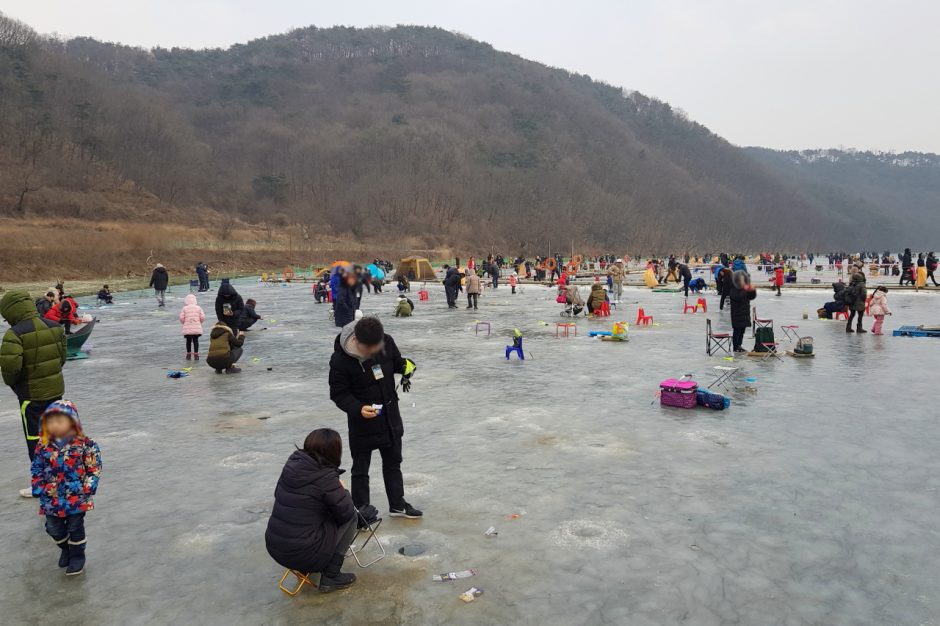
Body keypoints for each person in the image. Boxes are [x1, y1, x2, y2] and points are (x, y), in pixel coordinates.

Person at [328, 317, 422, 520]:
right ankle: (362, 512)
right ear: (356, 340)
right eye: (368, 348)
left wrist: (407, 366)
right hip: (362, 421)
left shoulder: (386, 342)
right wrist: (358, 408)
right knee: (360, 468)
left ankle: (397, 505)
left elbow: (396, 363)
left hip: (390, 416)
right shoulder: (340, 360)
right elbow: (338, 394)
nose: (373, 352)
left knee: (393, 462)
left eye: (376, 346)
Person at [265, 428, 359, 592]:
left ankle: (306, 565)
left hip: (276, 548)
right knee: (352, 518)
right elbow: (346, 513)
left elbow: (278, 494)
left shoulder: (292, 464)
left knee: (308, 514)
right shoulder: (325, 478)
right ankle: (331, 576)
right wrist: (343, 491)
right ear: (334, 452)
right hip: (304, 554)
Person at [1, 291, 67, 497]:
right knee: (55, 438)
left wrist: (16, 386)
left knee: (35, 441)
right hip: (55, 392)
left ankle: (43, 484)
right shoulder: (55, 328)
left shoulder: (15, 334)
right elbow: (62, 358)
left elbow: (10, 368)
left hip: (31, 397)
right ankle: (61, 480)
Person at [30, 400, 101, 576]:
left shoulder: (85, 443)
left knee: (75, 527)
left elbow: (94, 467)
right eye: (51, 421)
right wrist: (38, 485)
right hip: (51, 495)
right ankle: (65, 548)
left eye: (60, 421)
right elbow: (37, 466)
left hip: (77, 495)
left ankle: (77, 556)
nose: (55, 425)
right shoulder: (43, 444)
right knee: (53, 528)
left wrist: (89, 484)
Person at [728, 270, 756, 352]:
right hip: (737, 314)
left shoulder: (744, 288)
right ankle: (736, 346)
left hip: (745, 313)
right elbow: (737, 297)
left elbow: (751, 297)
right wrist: (745, 290)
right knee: (737, 330)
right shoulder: (734, 288)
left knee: (742, 331)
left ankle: (739, 345)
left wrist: (752, 291)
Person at [179, 293, 206, 360]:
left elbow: (181, 318)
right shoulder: (198, 308)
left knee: (188, 341)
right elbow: (202, 317)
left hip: (187, 328)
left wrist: (184, 323)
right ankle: (196, 354)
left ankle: (188, 354)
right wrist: (199, 323)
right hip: (196, 327)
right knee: (195, 341)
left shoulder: (184, 308)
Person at [845, 264, 867, 333]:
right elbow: (864, 294)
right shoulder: (862, 284)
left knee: (852, 315)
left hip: (852, 302)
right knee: (860, 316)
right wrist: (863, 300)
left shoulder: (851, 283)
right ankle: (859, 328)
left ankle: (848, 328)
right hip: (860, 303)